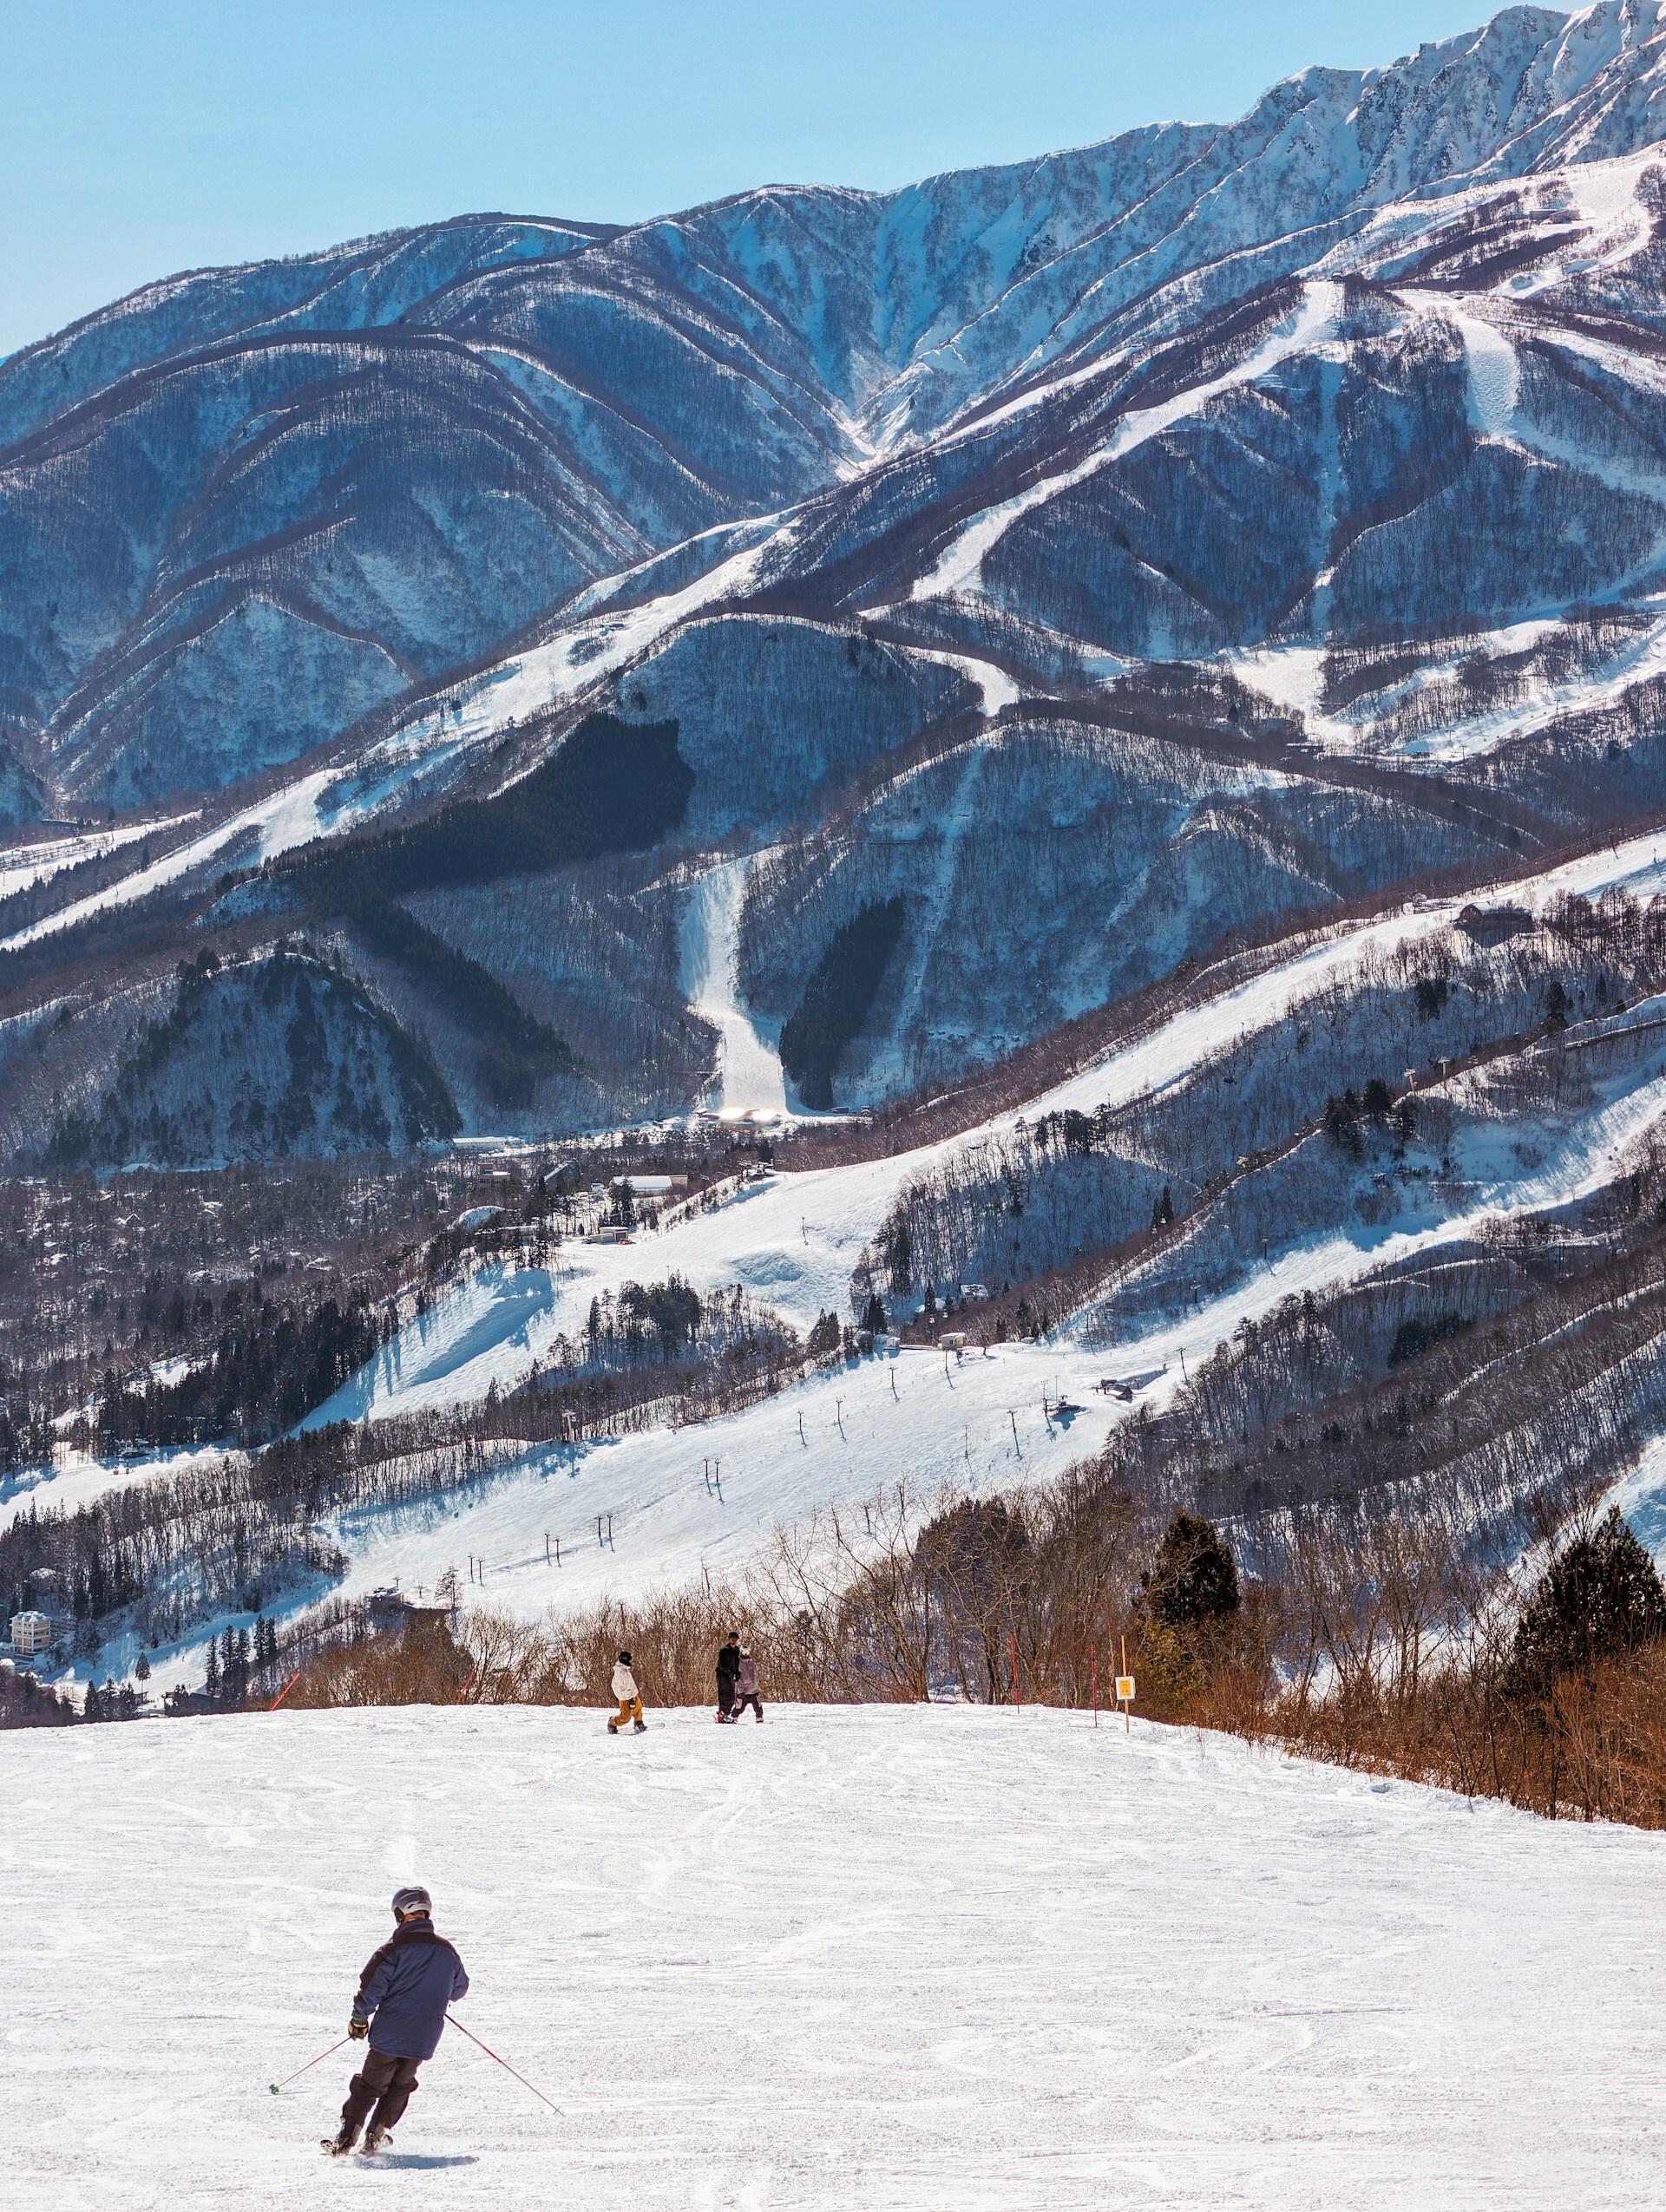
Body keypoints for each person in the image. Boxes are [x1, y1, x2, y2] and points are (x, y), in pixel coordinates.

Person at [324, 1886, 469, 2158]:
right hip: (424, 2037)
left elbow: (371, 1988)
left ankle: (346, 2140)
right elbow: (460, 1989)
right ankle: (376, 2135)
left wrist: (359, 2018)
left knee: (370, 2084)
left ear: (401, 1914)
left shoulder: (394, 1949)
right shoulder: (446, 1950)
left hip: (390, 2033)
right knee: (401, 2084)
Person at [608, 1647, 646, 1733]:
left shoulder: (625, 1670)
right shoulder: (620, 1673)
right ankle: (612, 1722)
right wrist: (629, 1698)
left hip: (633, 1695)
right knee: (625, 1717)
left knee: (638, 1709)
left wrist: (633, 1695)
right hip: (626, 1698)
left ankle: (639, 1723)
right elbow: (618, 1688)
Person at [731, 1646, 764, 1724]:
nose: (746, 1654)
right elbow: (737, 1679)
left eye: (747, 1652)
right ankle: (734, 1718)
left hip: (753, 1689)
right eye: (744, 1652)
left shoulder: (750, 1663)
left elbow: (754, 1676)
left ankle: (759, 1718)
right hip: (744, 1690)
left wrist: (757, 1687)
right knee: (739, 1707)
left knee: (758, 1705)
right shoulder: (738, 1664)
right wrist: (740, 1691)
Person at [715, 1628, 740, 1723]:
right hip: (722, 1675)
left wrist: (737, 1673)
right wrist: (729, 1672)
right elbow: (721, 1664)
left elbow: (738, 1663)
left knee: (731, 1695)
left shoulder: (737, 1650)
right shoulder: (724, 1650)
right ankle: (722, 1714)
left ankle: (725, 1714)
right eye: (732, 1638)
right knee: (724, 1694)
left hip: (731, 1675)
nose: (734, 1640)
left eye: (735, 1638)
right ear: (729, 1639)